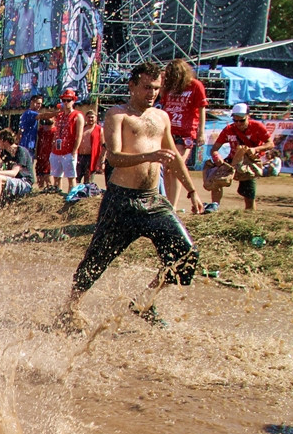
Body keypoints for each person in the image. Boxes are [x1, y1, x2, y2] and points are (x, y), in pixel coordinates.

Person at [56, 62, 201, 331]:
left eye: (156, 88)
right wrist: (151, 156)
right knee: (96, 260)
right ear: (132, 85)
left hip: (153, 200)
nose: (152, 93)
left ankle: (144, 301)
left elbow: (175, 158)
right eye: (147, 87)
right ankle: (70, 308)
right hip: (122, 201)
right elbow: (114, 157)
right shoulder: (117, 115)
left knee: (186, 254)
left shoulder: (161, 118)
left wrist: (192, 191)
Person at [207, 103, 273, 212]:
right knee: (216, 179)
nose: (238, 123)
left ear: (248, 116)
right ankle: (215, 206)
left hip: (249, 162)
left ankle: (249, 213)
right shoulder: (229, 129)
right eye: (235, 120)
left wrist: (255, 149)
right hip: (232, 159)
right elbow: (214, 149)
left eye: (241, 120)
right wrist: (216, 157)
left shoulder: (257, 127)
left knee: (248, 193)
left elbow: (270, 144)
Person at [160, 59, 207, 208]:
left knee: (176, 165)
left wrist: (201, 132)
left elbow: (202, 108)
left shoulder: (195, 86)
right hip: (169, 131)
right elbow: (163, 103)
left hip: (185, 133)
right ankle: (168, 201)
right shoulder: (169, 87)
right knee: (167, 168)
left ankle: (173, 205)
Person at [0, 128, 36, 222]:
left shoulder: (20, 151)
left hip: (25, 183)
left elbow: (14, 173)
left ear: (5, 141)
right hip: (16, 181)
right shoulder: (5, 152)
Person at [50, 89, 84, 194]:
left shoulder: (78, 115)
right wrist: (53, 147)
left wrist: (74, 150)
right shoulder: (60, 115)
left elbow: (79, 135)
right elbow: (56, 133)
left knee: (71, 177)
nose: (66, 102)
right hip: (57, 151)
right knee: (56, 176)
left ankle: (71, 196)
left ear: (73, 101)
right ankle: (57, 194)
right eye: (64, 100)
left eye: (68, 100)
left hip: (69, 151)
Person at [76, 109, 105, 186]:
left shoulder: (99, 130)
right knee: (76, 177)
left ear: (96, 118)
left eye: (92, 117)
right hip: (80, 156)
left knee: (88, 179)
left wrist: (101, 160)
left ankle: (87, 195)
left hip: (91, 157)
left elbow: (104, 145)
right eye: (89, 117)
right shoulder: (82, 128)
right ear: (86, 118)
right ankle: (74, 193)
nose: (90, 119)